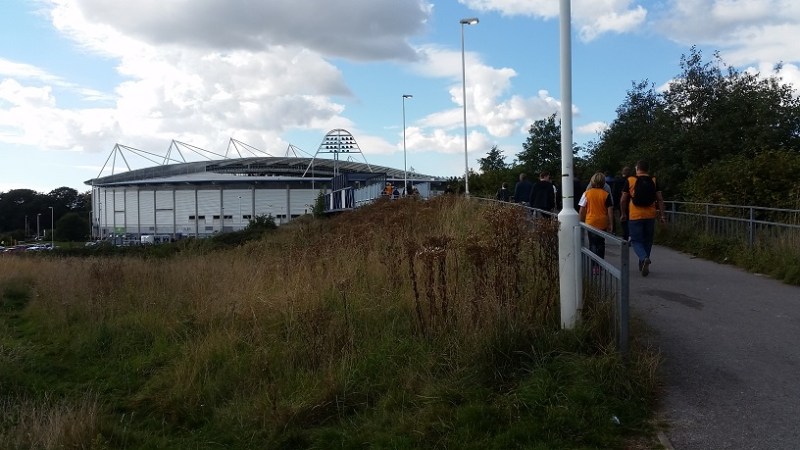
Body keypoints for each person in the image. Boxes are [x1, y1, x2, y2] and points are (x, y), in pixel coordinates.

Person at [620, 160, 666, 277]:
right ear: (647, 169)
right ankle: (643, 263)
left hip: (635, 215)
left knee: (636, 240)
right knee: (648, 240)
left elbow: (623, 199)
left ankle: (643, 258)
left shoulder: (630, 180)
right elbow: (660, 199)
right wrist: (662, 215)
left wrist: (623, 213)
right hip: (650, 215)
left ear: (637, 168)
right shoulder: (654, 180)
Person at [579, 172, 614, 275]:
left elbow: (582, 210)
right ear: (603, 182)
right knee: (601, 243)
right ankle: (600, 264)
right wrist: (611, 223)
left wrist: (580, 221)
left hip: (590, 222)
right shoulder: (606, 195)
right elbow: (610, 211)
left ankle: (594, 266)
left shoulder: (586, 193)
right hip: (602, 222)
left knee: (592, 243)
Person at [613, 166, 632, 241]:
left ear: (622, 172)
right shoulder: (631, 180)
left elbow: (614, 193)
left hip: (621, 203)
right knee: (631, 219)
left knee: (623, 219)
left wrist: (615, 204)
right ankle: (630, 234)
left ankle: (625, 236)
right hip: (631, 203)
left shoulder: (617, 181)